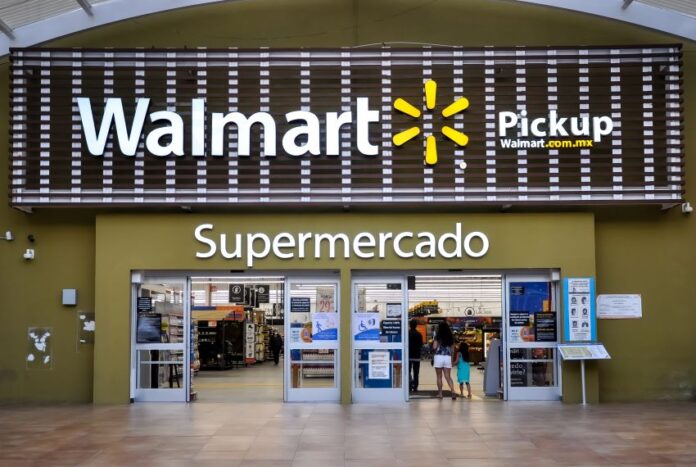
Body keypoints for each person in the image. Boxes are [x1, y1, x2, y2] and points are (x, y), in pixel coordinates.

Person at [432, 321, 457, 399]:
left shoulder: (437, 336)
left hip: (439, 357)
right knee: (448, 376)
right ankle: (453, 391)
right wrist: (452, 360)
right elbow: (453, 350)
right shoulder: (451, 336)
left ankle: (440, 394)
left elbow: (434, 347)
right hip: (447, 357)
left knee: (439, 376)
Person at [408, 319, 423, 392]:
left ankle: (409, 385)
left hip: (409, 356)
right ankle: (415, 387)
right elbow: (421, 345)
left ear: (409, 325)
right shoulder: (419, 334)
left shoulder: (407, 334)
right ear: (416, 325)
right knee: (416, 372)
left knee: (408, 372)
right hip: (417, 356)